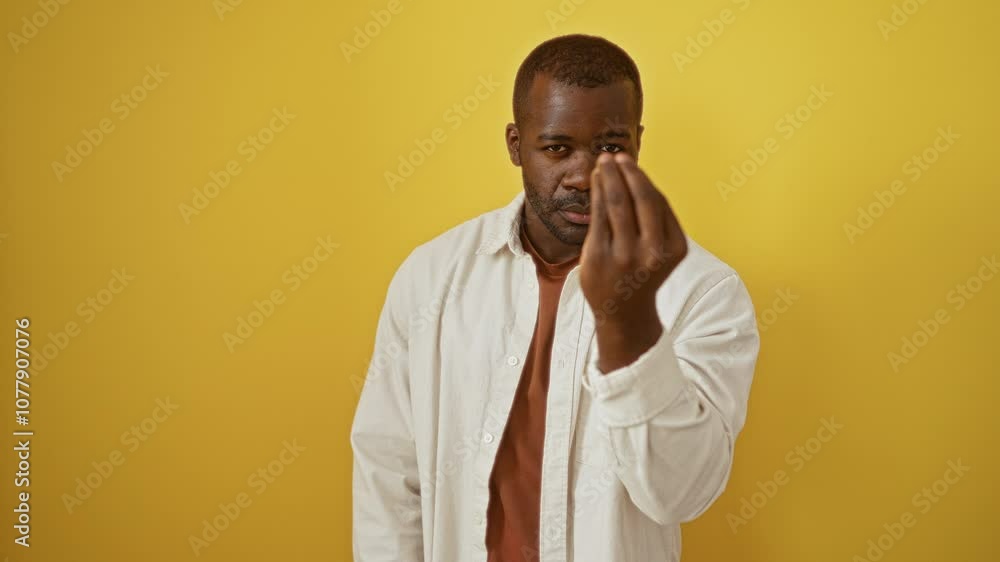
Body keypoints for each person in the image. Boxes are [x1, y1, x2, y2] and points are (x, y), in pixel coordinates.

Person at [351, 33, 760, 562]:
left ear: (638, 143)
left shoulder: (704, 292)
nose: (584, 175)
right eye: (556, 148)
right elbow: (388, 471)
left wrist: (628, 322)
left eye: (611, 146)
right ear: (516, 145)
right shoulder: (430, 277)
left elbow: (679, 494)